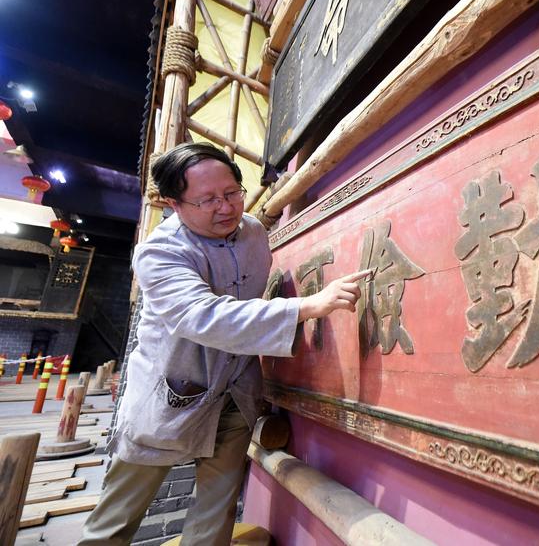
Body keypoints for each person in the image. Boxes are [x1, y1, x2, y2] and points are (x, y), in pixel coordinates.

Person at [78, 142, 370, 545]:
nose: (226, 207)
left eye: (232, 192)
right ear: (174, 204)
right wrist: (305, 307)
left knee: (214, 515)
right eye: (208, 200)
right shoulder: (159, 253)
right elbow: (203, 316)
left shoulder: (253, 232)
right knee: (118, 517)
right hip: (171, 394)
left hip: (235, 391)